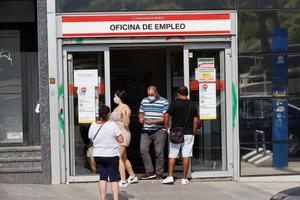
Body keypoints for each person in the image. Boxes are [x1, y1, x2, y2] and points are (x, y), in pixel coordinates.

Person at [162, 86, 199, 185]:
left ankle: (170, 177)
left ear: (178, 93)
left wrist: (166, 127)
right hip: (189, 132)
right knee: (186, 155)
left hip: (176, 132)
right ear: (187, 93)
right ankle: (184, 178)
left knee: (173, 154)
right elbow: (196, 120)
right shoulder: (192, 105)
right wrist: (193, 131)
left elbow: (166, 115)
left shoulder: (174, 103)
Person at [88, 105, 123, 200]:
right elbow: (121, 140)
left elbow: (91, 140)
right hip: (111, 155)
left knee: (102, 177)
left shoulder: (93, 125)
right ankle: (115, 199)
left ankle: (103, 198)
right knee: (114, 177)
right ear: (109, 114)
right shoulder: (113, 125)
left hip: (98, 155)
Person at [139, 85, 169, 179]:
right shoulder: (144, 100)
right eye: (149, 95)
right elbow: (141, 112)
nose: (150, 96)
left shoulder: (164, 101)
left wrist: (153, 122)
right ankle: (150, 171)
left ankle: (159, 173)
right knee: (143, 149)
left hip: (159, 130)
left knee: (159, 152)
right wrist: (140, 118)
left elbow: (165, 118)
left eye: (152, 95)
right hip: (146, 130)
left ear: (156, 93)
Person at [111, 90, 138, 188]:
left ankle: (122, 180)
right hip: (116, 135)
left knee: (118, 157)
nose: (114, 98)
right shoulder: (117, 108)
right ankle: (132, 176)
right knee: (123, 157)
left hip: (123, 134)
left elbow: (126, 124)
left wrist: (124, 115)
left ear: (119, 97)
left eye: (115, 96)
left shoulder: (125, 107)